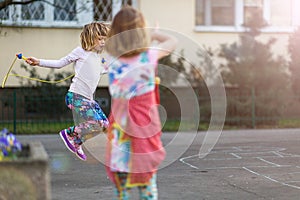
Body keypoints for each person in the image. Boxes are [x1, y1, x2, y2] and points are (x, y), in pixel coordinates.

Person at [105, 6, 178, 199]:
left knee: (121, 192)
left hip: (120, 135)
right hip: (144, 133)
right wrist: (154, 34)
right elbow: (173, 41)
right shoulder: (149, 56)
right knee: (147, 190)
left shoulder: (111, 59)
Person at [26, 22, 110, 161]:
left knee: (105, 125)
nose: (102, 42)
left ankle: (76, 142)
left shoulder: (97, 58)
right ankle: (69, 133)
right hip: (76, 97)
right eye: (100, 39)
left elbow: (101, 71)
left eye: (104, 39)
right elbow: (60, 63)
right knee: (96, 123)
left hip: (88, 100)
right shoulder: (80, 52)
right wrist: (38, 62)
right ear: (90, 37)